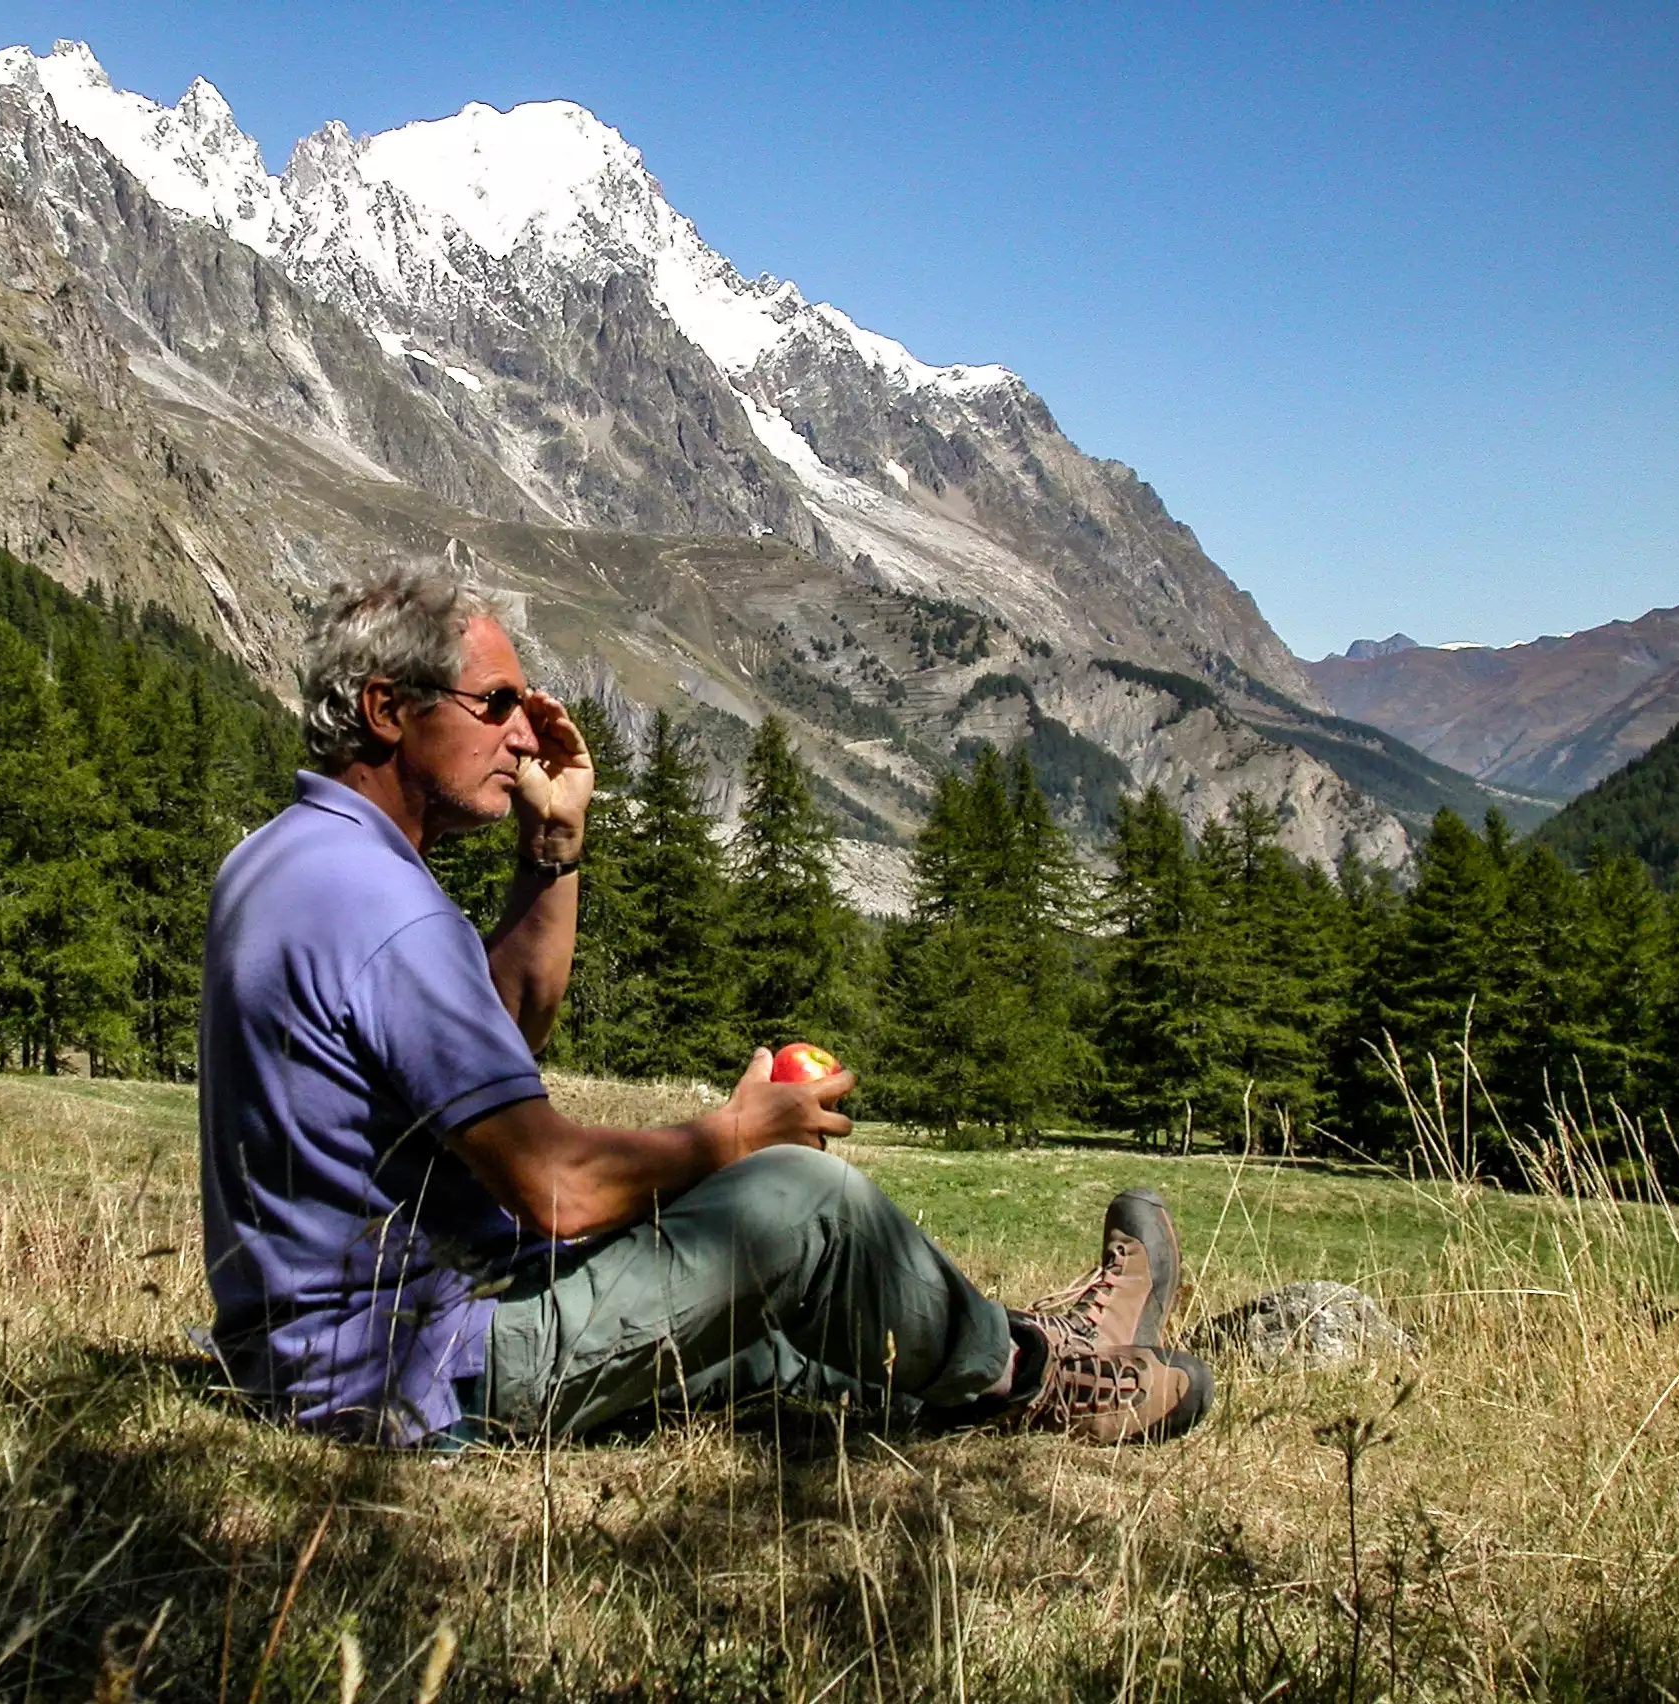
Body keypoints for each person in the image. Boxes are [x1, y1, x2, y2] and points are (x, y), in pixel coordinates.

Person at [198, 569, 1215, 1447]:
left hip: (321, 1356)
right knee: (803, 1204)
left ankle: (1031, 1352)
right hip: (412, 1371)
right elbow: (555, 1188)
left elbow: (490, 1040)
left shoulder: (287, 859)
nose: (524, 734)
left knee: (776, 1337)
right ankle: (1048, 1381)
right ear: (387, 710)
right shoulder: (385, 907)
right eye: (497, 702)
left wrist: (552, 848)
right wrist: (736, 1136)